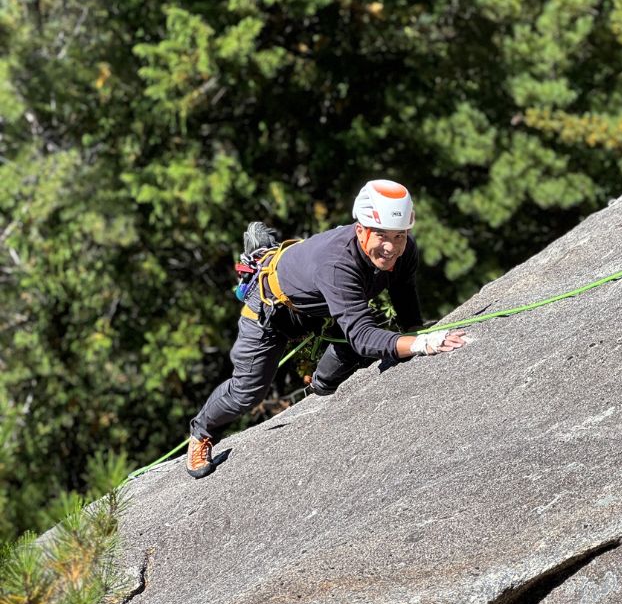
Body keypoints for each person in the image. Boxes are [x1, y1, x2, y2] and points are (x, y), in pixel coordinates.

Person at [186, 179, 467, 478]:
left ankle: (321, 384)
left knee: (367, 339)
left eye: (399, 236)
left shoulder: (404, 250)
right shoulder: (338, 265)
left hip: (318, 304)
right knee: (247, 392)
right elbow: (362, 336)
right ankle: (201, 432)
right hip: (272, 311)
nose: (391, 247)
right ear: (360, 230)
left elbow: (403, 289)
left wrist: (413, 329)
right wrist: (423, 344)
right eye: (381, 235)